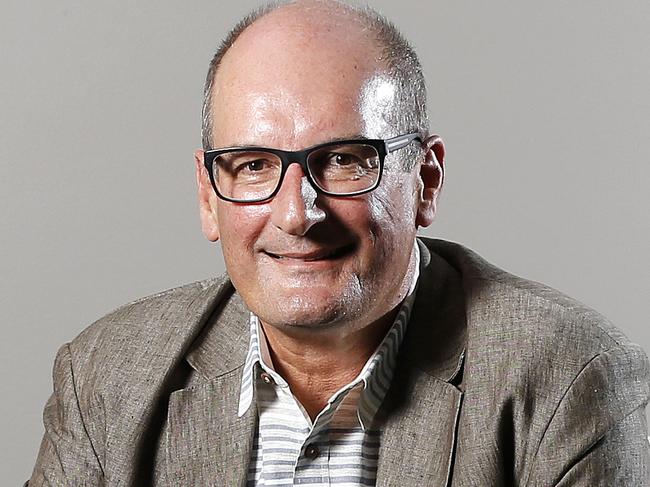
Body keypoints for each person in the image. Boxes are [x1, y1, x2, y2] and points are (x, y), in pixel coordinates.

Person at [27, 1, 649, 485]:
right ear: (207, 193)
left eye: (345, 161)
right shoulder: (107, 378)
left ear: (425, 181)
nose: (298, 214)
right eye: (252, 166)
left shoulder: (572, 379)